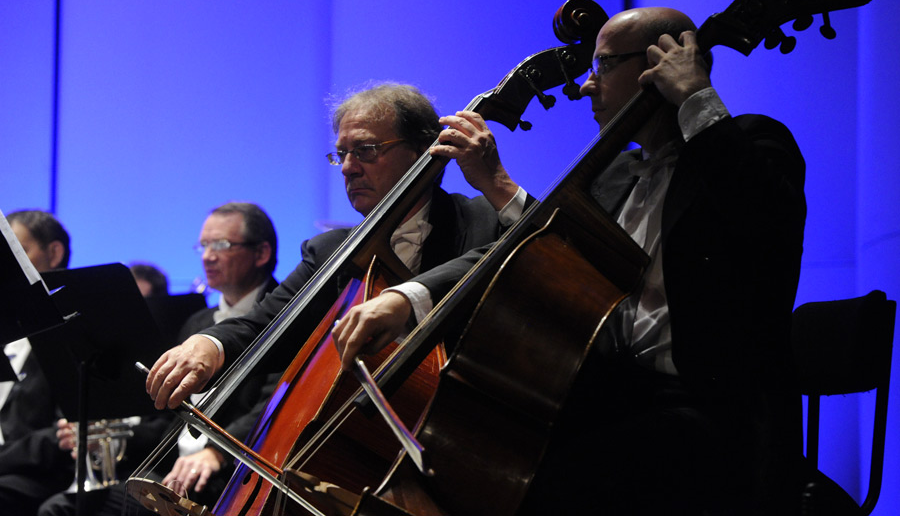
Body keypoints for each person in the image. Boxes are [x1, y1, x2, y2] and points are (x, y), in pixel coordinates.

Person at [332, 8, 807, 515]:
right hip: (610, 397)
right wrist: (409, 298)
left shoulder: (751, 143)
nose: (586, 85)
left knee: (540, 484)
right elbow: (543, 250)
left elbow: (764, 216)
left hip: (708, 411)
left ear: (662, 63)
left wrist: (695, 97)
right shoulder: (614, 172)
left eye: (602, 66)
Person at [146, 82, 524, 422]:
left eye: (366, 150)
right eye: (341, 153)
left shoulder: (485, 221)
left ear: (423, 151)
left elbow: (556, 251)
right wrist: (208, 344)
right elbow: (264, 325)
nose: (347, 168)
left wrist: (498, 182)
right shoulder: (330, 251)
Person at [38, 201, 283, 516]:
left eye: (221, 245)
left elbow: (276, 404)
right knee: (61, 508)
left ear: (261, 253)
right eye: (204, 245)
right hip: (171, 474)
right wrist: (113, 440)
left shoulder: (286, 320)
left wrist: (216, 452)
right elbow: (167, 419)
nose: (208, 256)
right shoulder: (198, 324)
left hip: (232, 477)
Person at [0, 211, 73, 515]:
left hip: (35, 476)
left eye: (19, 252)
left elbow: (62, 432)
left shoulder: (71, 330)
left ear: (54, 253)